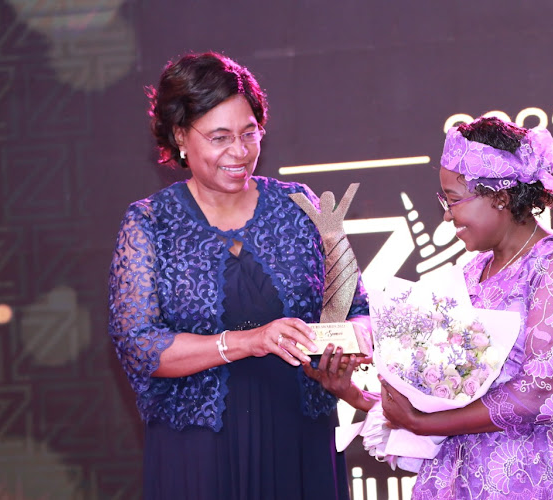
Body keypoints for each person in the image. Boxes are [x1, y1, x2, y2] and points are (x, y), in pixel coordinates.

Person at [107, 51, 374, 500]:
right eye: (219, 137)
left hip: (300, 441)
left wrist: (345, 348)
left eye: (249, 133)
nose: (240, 151)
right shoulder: (151, 223)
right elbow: (139, 346)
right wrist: (248, 341)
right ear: (180, 137)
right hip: (197, 452)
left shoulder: (299, 206)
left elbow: (360, 313)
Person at [378, 116, 553, 499]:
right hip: (465, 478)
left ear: (498, 195)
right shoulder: (470, 273)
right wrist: (356, 392)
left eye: (452, 199)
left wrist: (424, 423)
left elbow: (540, 397)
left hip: (551, 475)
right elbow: (440, 389)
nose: (447, 214)